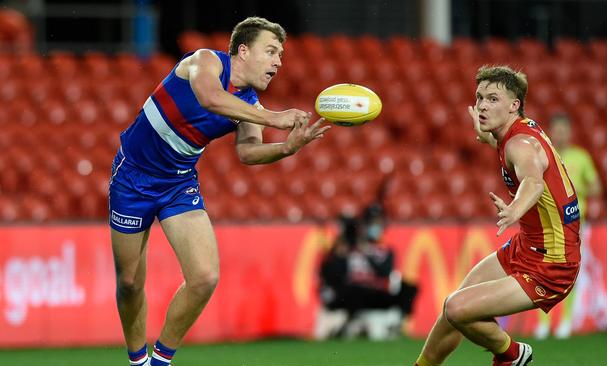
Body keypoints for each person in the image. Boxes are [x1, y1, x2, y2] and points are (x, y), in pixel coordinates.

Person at [109, 17, 329, 366]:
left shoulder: (250, 105)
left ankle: (159, 361)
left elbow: (248, 153)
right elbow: (210, 98)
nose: (278, 62)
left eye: (281, 55)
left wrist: (288, 148)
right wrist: (274, 119)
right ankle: (136, 360)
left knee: (205, 277)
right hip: (132, 179)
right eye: (271, 51)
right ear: (243, 50)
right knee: (130, 281)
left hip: (178, 182)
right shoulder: (205, 61)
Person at [414, 66, 581, 366]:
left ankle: (512, 355)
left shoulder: (520, 144)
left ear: (514, 105)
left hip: (553, 265)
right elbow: (511, 151)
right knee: (454, 306)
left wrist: (516, 208)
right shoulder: (514, 132)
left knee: (456, 308)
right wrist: (487, 137)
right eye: (479, 98)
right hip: (527, 246)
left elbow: (533, 180)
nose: (481, 106)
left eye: (493, 99)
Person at [533, 114, 607, 339]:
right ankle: (543, 323)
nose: (560, 134)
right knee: (542, 271)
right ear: (551, 131)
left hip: (574, 224)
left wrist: (575, 188)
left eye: (563, 130)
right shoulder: (543, 154)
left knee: (569, 272)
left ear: (569, 132)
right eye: (556, 130)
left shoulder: (581, 157)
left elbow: (596, 188)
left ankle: (566, 322)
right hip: (547, 223)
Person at [316, 204, 417, 340]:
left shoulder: (385, 250)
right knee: (353, 291)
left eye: (378, 222)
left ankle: (397, 322)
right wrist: (343, 251)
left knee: (409, 288)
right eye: (372, 222)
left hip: (375, 292)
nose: (375, 226)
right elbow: (333, 272)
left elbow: (384, 272)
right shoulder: (348, 246)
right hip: (353, 292)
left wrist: (367, 253)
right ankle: (348, 323)